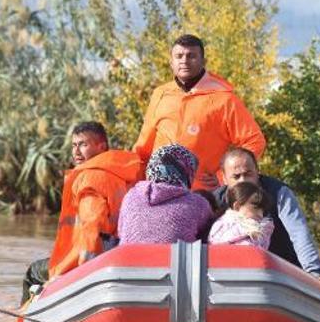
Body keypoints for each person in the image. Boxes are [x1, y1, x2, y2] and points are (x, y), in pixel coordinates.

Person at [21, 122, 144, 305]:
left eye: (83, 144)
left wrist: (67, 274)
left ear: (101, 146)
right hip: (119, 252)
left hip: (89, 257)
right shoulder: (125, 175)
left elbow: (92, 230)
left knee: (33, 272)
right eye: (74, 145)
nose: (76, 152)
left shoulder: (90, 178)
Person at [132, 34, 266, 191]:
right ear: (171, 62)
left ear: (204, 61)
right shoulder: (160, 94)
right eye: (179, 56)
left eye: (191, 56)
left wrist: (225, 176)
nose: (184, 61)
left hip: (203, 195)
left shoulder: (224, 99)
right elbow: (143, 147)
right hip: (158, 191)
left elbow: (254, 141)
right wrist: (135, 183)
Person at [214, 147, 320, 279]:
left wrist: (315, 273)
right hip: (232, 273)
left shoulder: (279, 193)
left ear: (258, 172)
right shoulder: (215, 202)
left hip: (284, 269)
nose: (243, 181)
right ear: (224, 178)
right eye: (236, 176)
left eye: (248, 174)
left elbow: (299, 233)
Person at [118, 144, 213, 245]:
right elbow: (211, 237)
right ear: (186, 172)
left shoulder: (131, 196)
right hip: (174, 260)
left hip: (127, 259)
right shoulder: (198, 204)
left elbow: (121, 232)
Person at [208, 181, 275, 248]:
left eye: (262, 210)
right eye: (255, 208)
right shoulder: (223, 226)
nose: (260, 214)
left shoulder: (262, 229)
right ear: (237, 206)